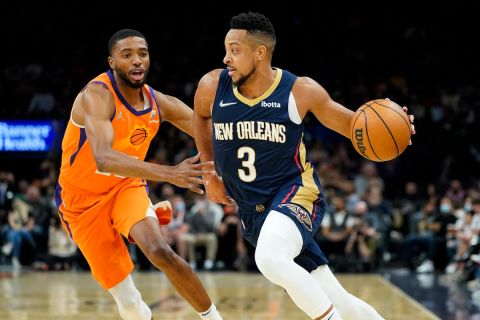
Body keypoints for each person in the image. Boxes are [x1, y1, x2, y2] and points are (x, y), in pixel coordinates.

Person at [194, 12, 415, 320]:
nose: (226, 58)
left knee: (269, 258)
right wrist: (209, 173)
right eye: (226, 49)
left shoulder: (299, 91)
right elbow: (200, 117)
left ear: (260, 53)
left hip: (295, 194)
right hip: (251, 210)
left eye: (235, 50)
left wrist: (396, 124)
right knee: (336, 296)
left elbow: (355, 124)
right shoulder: (212, 86)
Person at [56, 29, 222, 320]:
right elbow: (104, 159)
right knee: (130, 303)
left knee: (160, 250)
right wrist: (170, 173)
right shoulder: (97, 96)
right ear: (112, 62)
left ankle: (213, 318)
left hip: (125, 186)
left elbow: (209, 131)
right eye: (127, 55)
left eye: (142, 54)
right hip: (80, 202)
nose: (137, 61)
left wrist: (251, 151)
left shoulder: (158, 102)